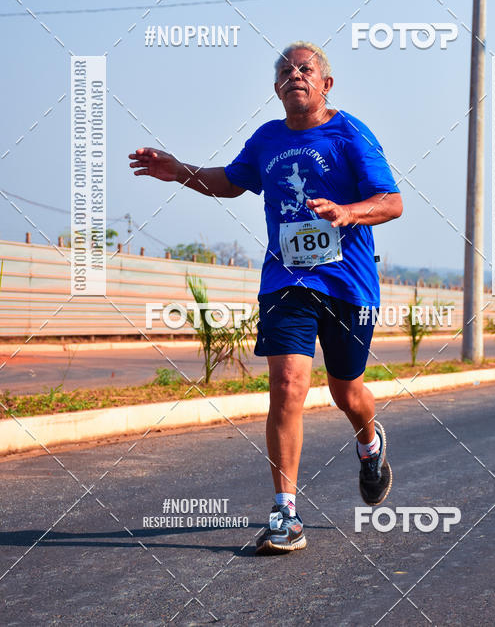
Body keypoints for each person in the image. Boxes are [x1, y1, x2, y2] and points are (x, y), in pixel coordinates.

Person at [129, 41, 403, 554]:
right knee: (287, 384)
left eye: (306, 68)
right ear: (276, 87)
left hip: (348, 283)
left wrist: (348, 212)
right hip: (287, 282)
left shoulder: (351, 133)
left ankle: (370, 443)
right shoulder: (267, 140)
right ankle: (285, 512)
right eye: (285, 69)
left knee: (347, 392)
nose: (295, 74)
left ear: (326, 84)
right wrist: (179, 170)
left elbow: (392, 202)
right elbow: (231, 183)